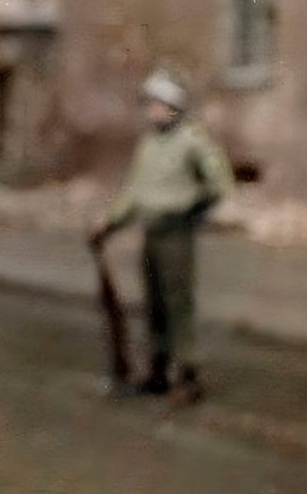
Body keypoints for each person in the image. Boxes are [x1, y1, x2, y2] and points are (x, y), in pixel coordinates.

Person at [90, 67, 234, 403]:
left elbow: (219, 183)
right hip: (151, 233)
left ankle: (188, 375)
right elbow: (134, 192)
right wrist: (109, 223)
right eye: (149, 104)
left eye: (156, 104)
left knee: (177, 303)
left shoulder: (192, 140)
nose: (150, 110)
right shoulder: (149, 144)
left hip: (176, 232)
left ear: (173, 107)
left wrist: (192, 209)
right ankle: (158, 371)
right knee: (154, 304)